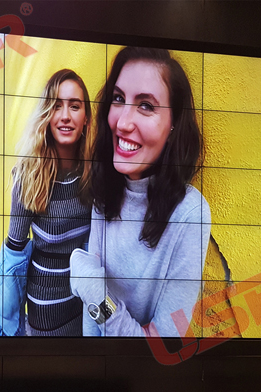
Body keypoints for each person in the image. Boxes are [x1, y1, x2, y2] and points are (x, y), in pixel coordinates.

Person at [70, 47, 212, 337]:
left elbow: (160, 346)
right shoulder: (106, 188)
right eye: (118, 98)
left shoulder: (190, 214)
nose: (122, 123)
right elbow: (92, 322)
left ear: (173, 125)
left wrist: (95, 294)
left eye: (146, 105)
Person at [0, 69, 93, 336]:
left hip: (87, 303)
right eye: (56, 106)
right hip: (46, 309)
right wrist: (0, 327)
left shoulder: (95, 175)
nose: (65, 115)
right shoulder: (29, 176)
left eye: (75, 106)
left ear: (86, 119)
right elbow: (12, 256)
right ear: (47, 115)